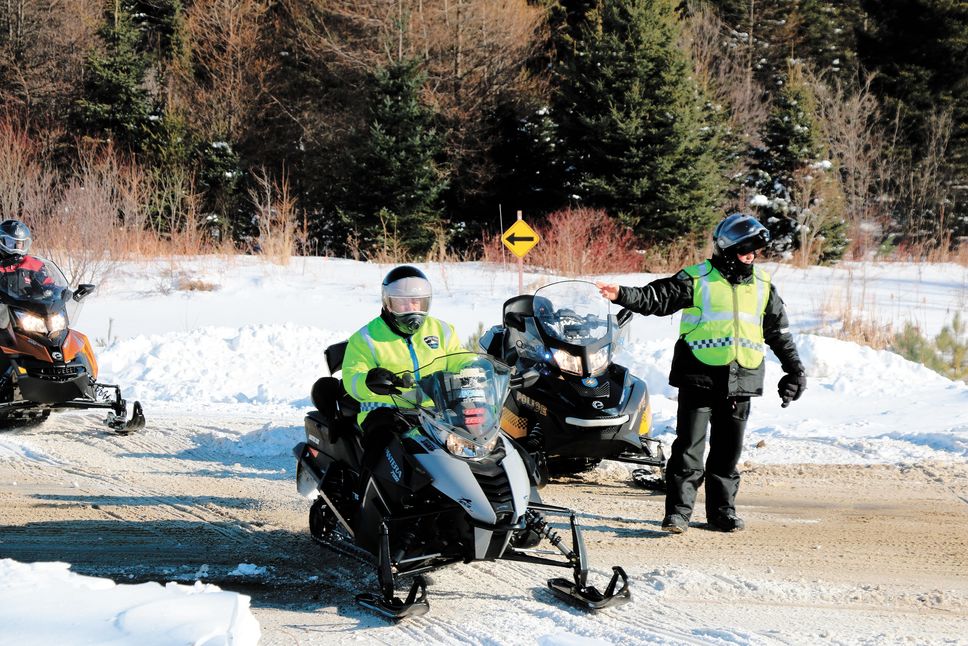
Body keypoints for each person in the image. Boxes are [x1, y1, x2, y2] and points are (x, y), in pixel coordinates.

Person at [596, 213, 806, 534]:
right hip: (699, 377)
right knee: (689, 449)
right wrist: (622, 294)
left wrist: (794, 371)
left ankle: (722, 512)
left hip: (741, 380)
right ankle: (678, 513)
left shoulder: (763, 286)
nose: (750, 257)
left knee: (727, 453)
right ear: (726, 248)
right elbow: (657, 298)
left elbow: (778, 332)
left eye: (754, 252)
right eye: (744, 250)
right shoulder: (698, 279)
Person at [341, 265, 464, 464]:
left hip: (437, 411)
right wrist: (368, 380)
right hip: (386, 411)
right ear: (388, 303)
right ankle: (367, 490)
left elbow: (461, 357)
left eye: (418, 302)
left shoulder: (442, 330)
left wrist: (479, 369)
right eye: (403, 304)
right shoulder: (366, 338)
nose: (412, 309)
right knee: (382, 447)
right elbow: (351, 377)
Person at [0, 219, 54, 296]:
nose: (16, 247)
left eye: (19, 243)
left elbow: (49, 286)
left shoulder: (33, 265)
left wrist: (60, 292)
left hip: (28, 307)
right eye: (10, 242)